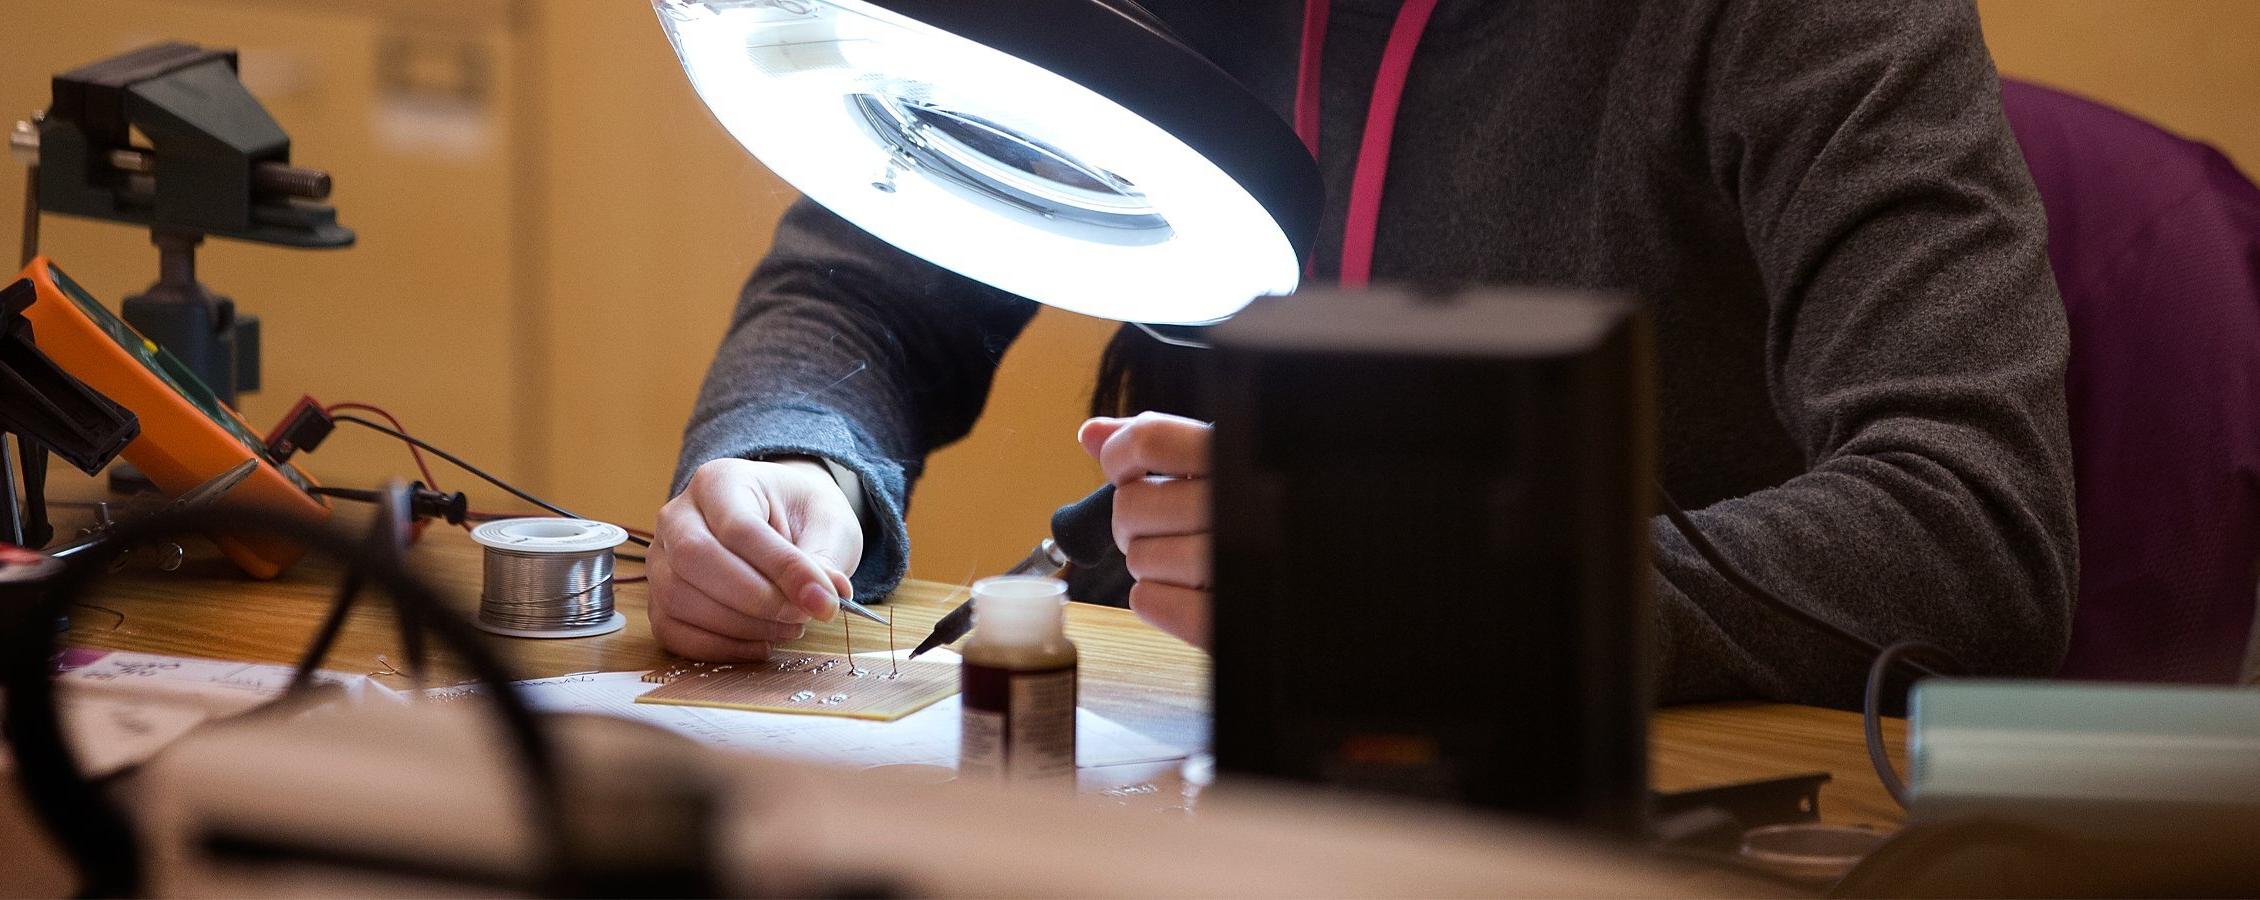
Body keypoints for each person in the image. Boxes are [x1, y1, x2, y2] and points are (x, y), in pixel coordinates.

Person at [651, 0, 2077, 708]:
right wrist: (789, 465)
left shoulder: (1800, 27)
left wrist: (1437, 580)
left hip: (1624, 792)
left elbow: (1971, 528)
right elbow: (864, 277)